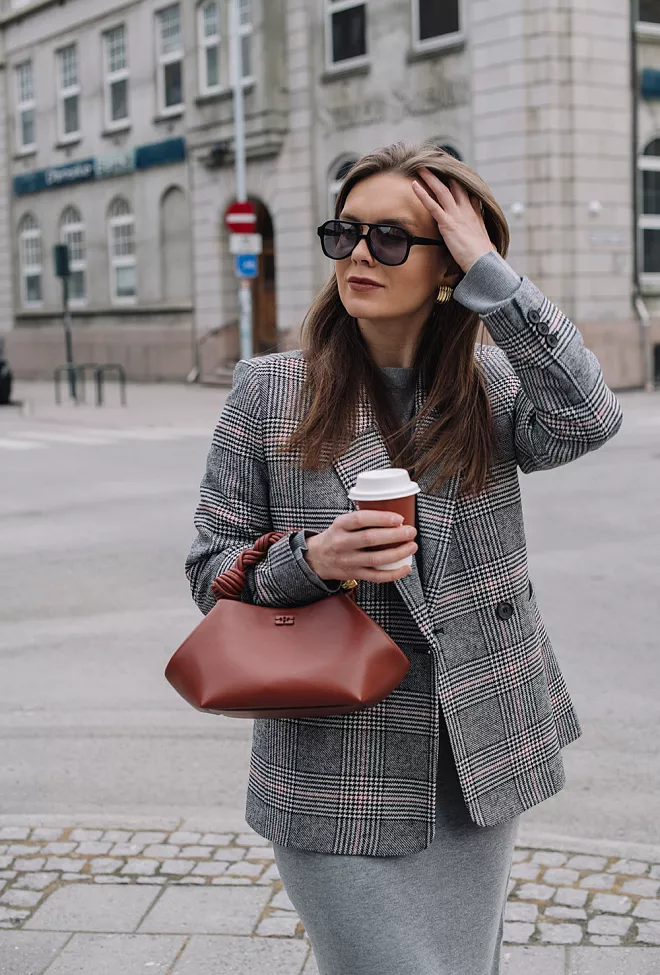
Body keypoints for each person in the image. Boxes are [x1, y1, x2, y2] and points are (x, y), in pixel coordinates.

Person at [185, 141, 623, 975]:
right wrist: (312, 557)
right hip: (334, 754)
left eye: (391, 238)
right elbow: (212, 570)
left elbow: (589, 414)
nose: (358, 254)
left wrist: (492, 274)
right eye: (345, 232)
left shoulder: (490, 388)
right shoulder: (270, 389)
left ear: (447, 263)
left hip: (476, 750)